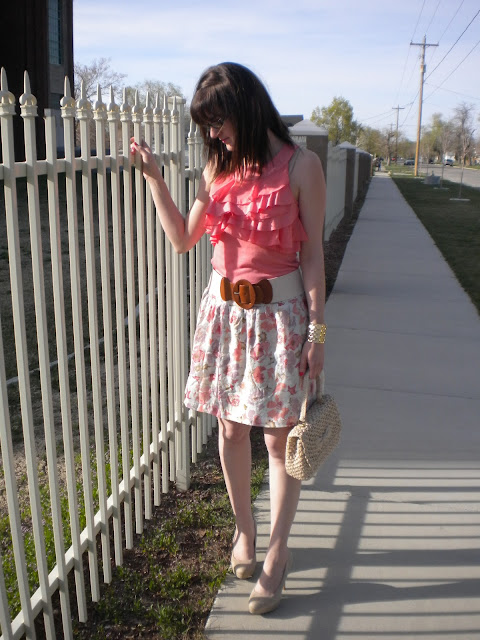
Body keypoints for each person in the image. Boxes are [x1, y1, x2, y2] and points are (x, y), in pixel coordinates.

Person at [130, 62, 326, 615]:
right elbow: (181, 239)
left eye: (219, 121)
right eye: (207, 125)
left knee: (279, 442)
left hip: (281, 319)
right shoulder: (217, 167)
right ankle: (245, 529)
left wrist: (318, 331)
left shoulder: (302, 166)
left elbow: (312, 256)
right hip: (224, 316)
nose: (214, 134)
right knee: (231, 430)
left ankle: (278, 553)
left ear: (246, 108)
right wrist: (155, 179)